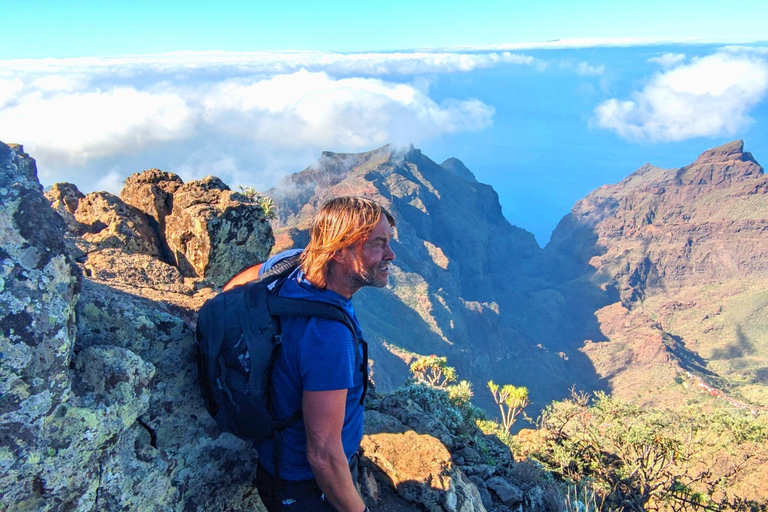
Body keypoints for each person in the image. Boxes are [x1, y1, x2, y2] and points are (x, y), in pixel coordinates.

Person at [244, 197, 396, 512]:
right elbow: (324, 454)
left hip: (276, 460)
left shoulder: (289, 264)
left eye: (389, 242)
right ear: (340, 250)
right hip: (306, 486)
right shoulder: (329, 337)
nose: (390, 255)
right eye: (377, 244)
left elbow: (235, 289)